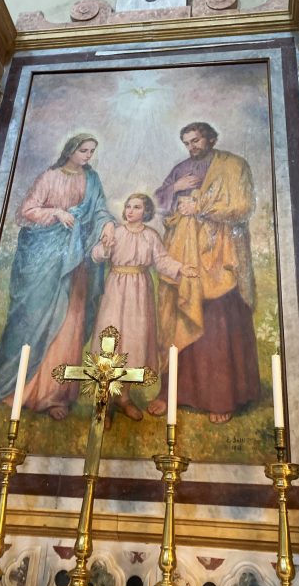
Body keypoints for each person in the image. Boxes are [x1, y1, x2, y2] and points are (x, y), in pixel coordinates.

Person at [0, 134, 115, 420]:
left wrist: (108, 223)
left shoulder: (92, 178)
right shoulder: (50, 177)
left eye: (92, 151)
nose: (88, 156)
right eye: (83, 150)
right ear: (70, 151)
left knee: (70, 321)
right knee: (32, 318)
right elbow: (25, 212)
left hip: (75, 261)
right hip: (44, 258)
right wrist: (57, 213)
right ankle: (17, 390)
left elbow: (98, 210)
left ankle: (56, 395)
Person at [149, 122, 260, 423]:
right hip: (182, 252)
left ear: (212, 137)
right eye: (187, 142)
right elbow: (157, 204)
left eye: (196, 140)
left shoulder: (234, 166)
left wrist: (198, 206)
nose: (192, 147)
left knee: (218, 320)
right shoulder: (182, 168)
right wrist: (174, 189)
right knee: (175, 317)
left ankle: (220, 396)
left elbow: (242, 205)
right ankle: (172, 393)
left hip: (219, 256)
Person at [90, 193, 196, 421]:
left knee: (134, 341)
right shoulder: (116, 232)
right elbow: (96, 254)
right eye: (128, 206)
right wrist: (105, 248)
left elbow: (162, 260)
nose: (130, 211)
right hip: (116, 290)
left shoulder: (150, 236)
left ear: (145, 212)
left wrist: (181, 269)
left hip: (140, 292)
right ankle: (104, 401)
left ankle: (124, 397)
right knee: (110, 340)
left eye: (136, 207)